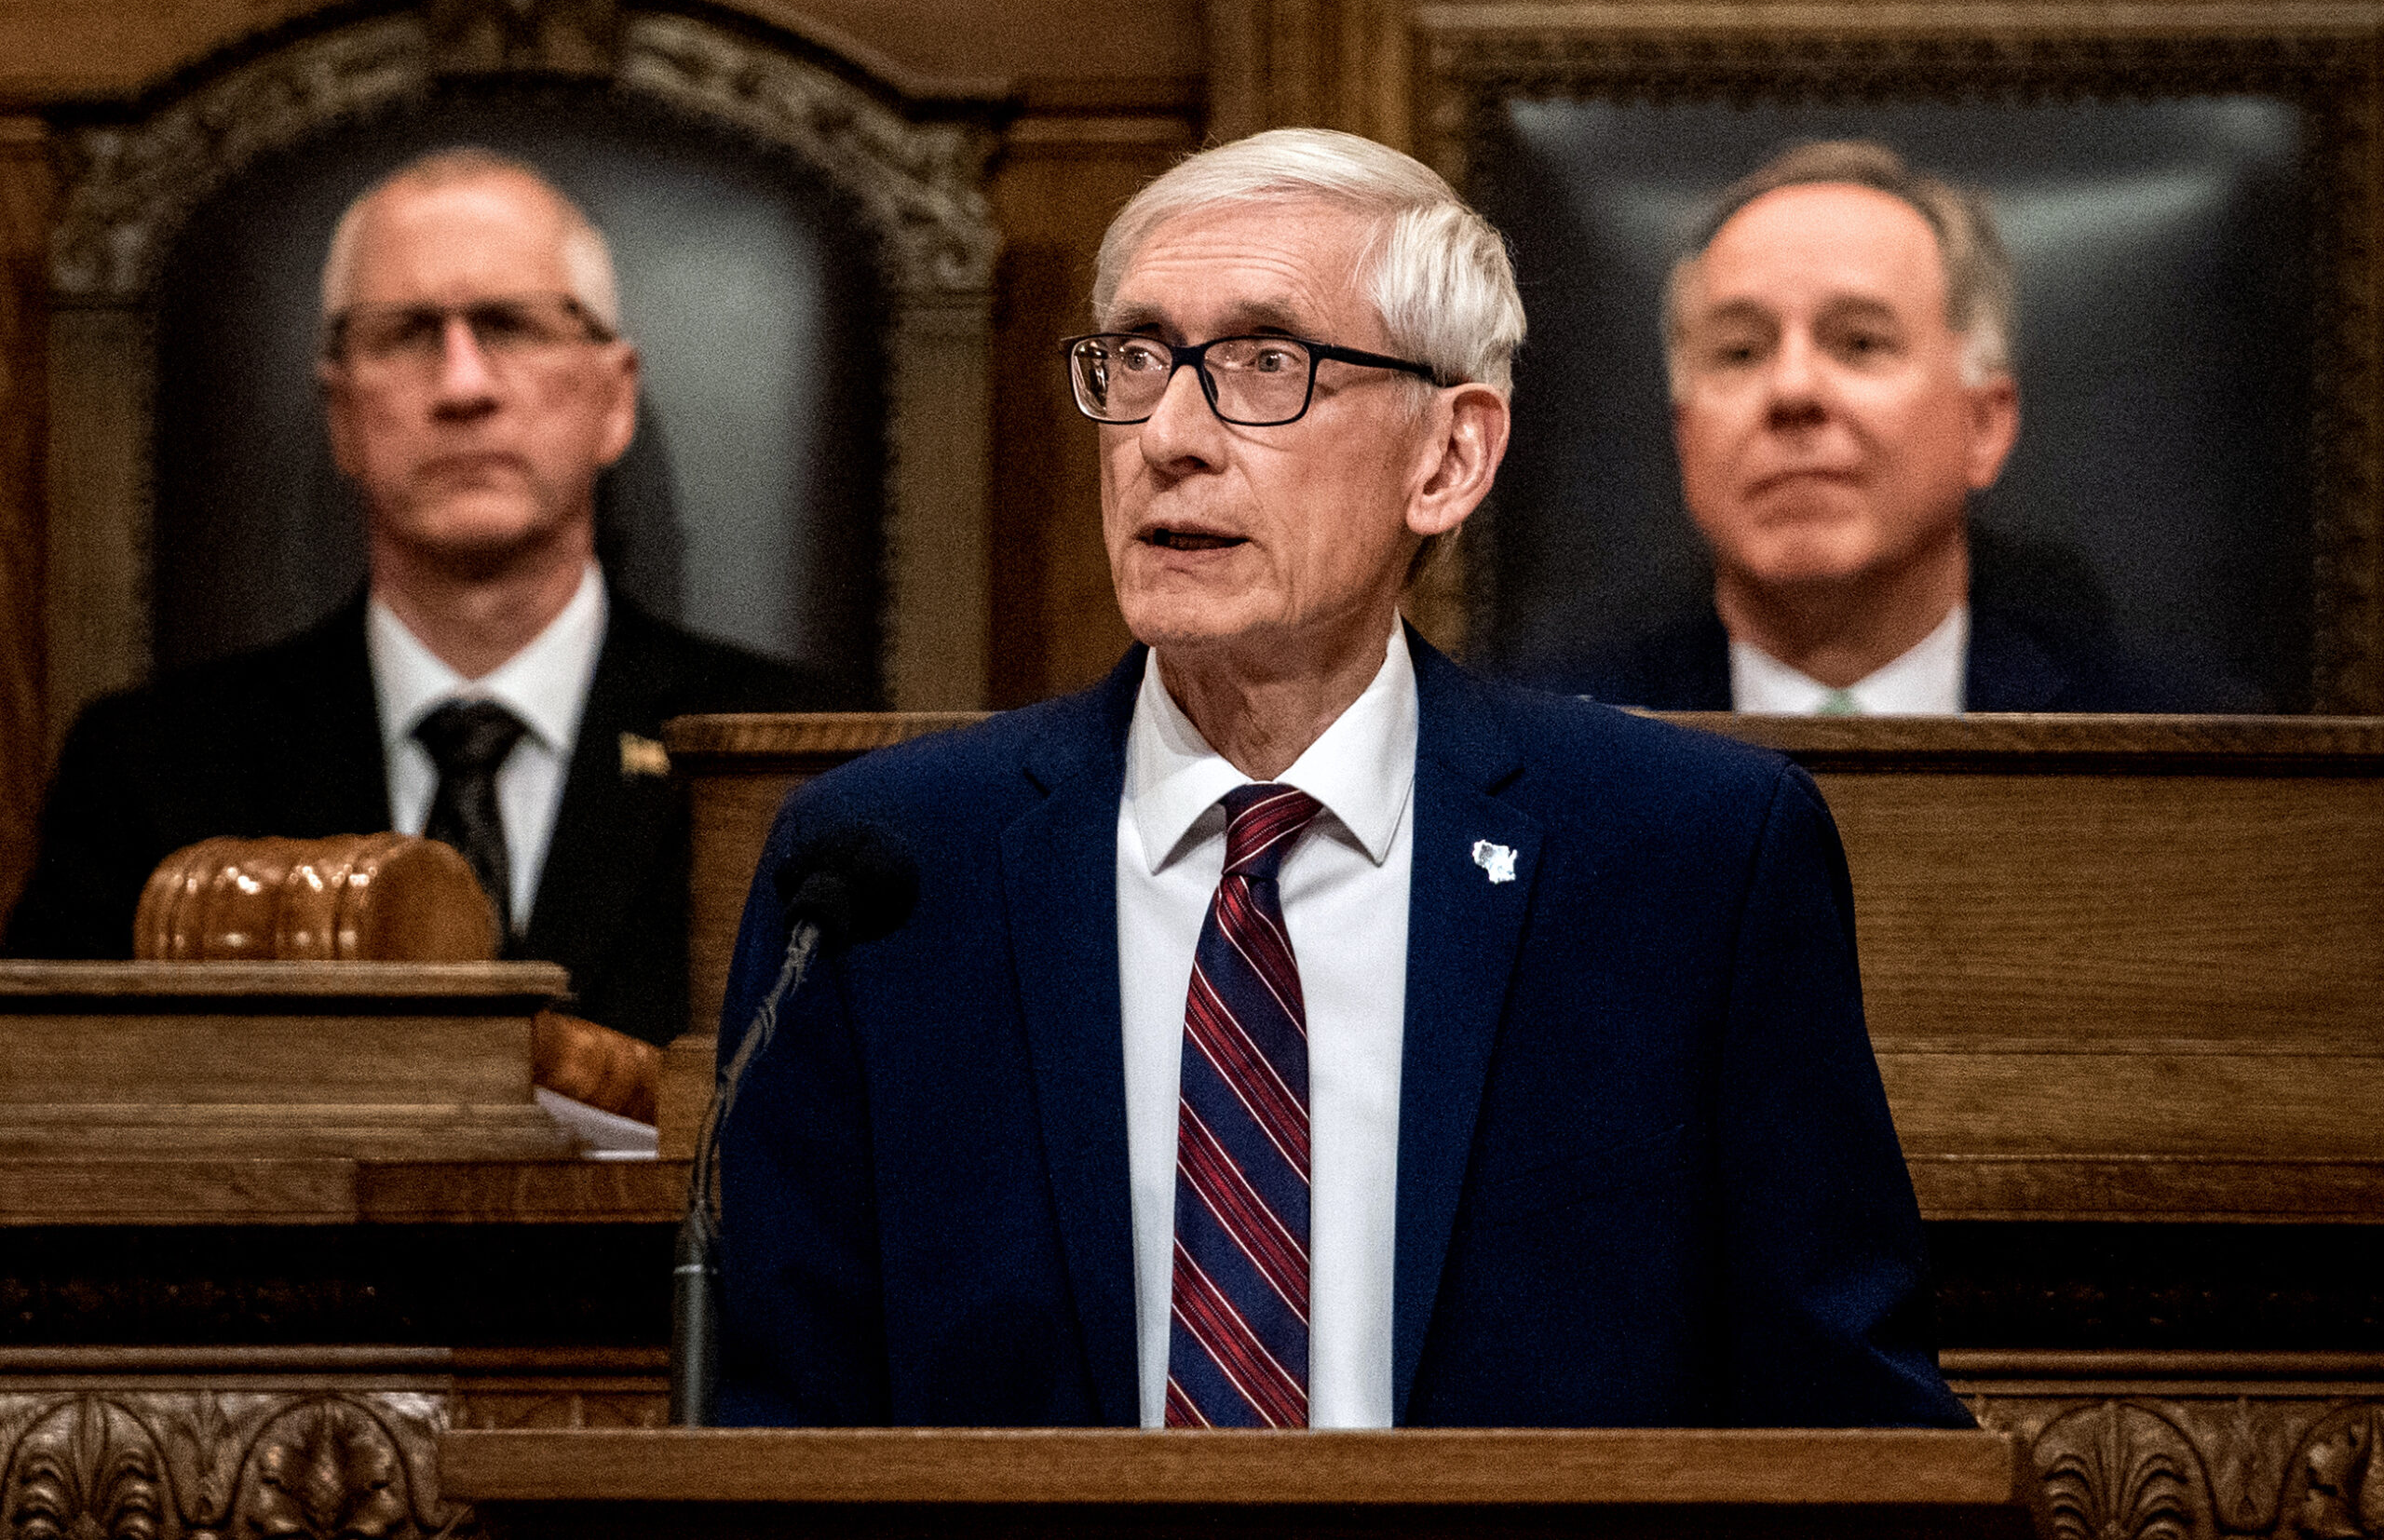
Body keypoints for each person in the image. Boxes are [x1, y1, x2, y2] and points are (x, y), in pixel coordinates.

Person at [713, 128, 1967, 1429]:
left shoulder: (1690, 863)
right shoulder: (885, 873)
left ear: (1451, 458)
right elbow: (776, 1435)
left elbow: (1851, 1426)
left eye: (1267, 364)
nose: (1171, 435)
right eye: (1138, 361)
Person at [6, 147, 837, 1045]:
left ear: (614, 397)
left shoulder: (789, 763)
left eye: (513, 325)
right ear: (342, 415)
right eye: (403, 333)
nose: (463, 385)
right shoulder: (151, 773)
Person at [1548, 140, 2257, 714]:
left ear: (1984, 424)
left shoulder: (2173, 743)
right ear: (1684, 436)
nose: (1792, 389)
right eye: (1740, 351)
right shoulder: (1556, 744)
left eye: (1859, 343)